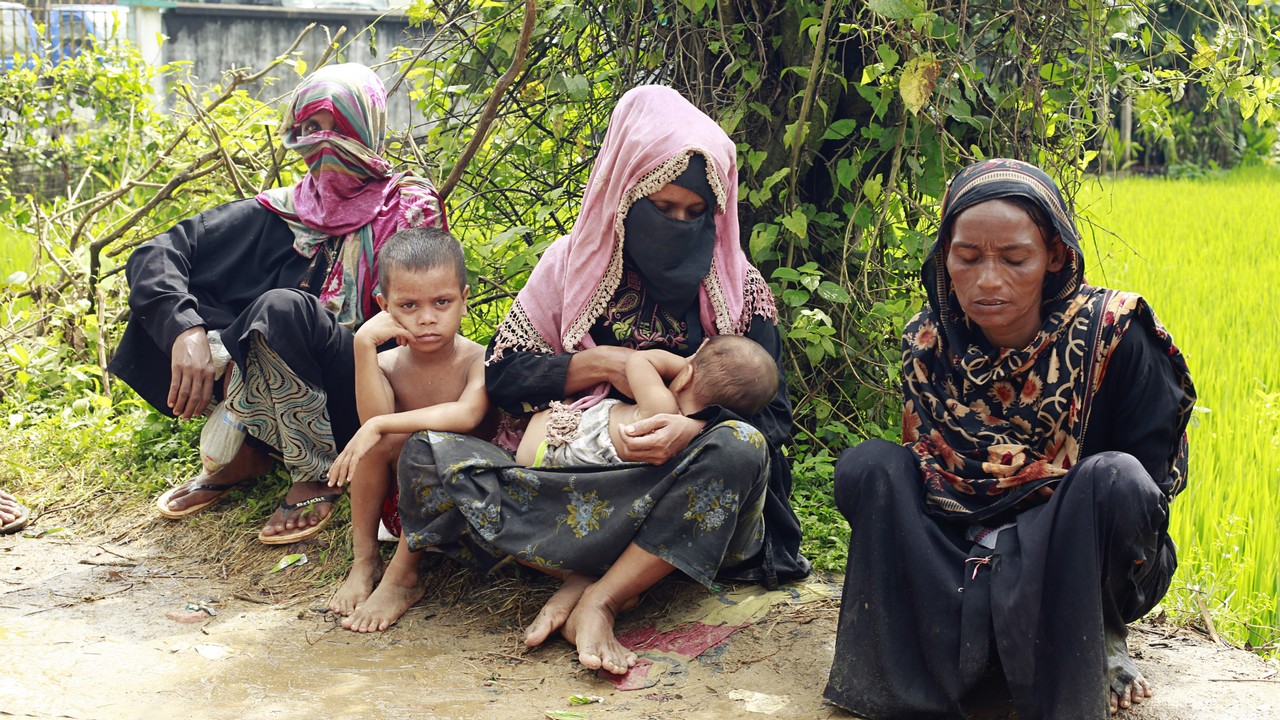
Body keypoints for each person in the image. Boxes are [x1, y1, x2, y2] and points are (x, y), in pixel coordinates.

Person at [394, 85, 811, 675]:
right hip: (563, 486)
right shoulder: (571, 264)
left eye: (696, 215)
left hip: (676, 490)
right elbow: (506, 377)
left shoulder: (735, 285)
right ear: (624, 195)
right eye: (663, 210)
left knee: (738, 450)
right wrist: (609, 364)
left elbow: (771, 421)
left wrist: (688, 432)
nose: (679, 227)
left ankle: (603, 594)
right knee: (425, 456)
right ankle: (606, 570)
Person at [823, 158, 1197, 719]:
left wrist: (1041, 541)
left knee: (1116, 479)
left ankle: (1099, 636)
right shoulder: (929, 342)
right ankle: (940, 645)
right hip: (959, 546)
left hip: (1076, 551)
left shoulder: (1115, 335)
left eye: (1015, 259)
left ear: (1054, 255)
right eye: (968, 258)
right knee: (870, 467)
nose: (989, 280)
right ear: (945, 259)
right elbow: (931, 477)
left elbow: (1145, 493)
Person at [108, 63, 446, 544]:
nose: (324, 144)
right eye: (310, 130)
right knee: (168, 296)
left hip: (371, 396)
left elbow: (424, 320)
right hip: (272, 387)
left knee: (283, 308)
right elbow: (160, 251)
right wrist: (185, 330)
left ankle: (313, 470)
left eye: (338, 130)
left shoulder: (409, 208)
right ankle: (251, 451)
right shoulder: (282, 211)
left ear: (366, 131)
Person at [323, 227, 489, 631]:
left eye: (442, 302)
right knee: (379, 442)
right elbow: (375, 431)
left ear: (464, 300)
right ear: (384, 306)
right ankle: (364, 560)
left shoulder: (477, 360)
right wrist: (364, 344)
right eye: (409, 305)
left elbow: (466, 416)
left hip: (465, 508)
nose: (427, 317)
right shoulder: (387, 364)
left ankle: (403, 578)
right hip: (401, 513)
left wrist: (380, 423)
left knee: (421, 443)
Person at [515, 335, 778, 467]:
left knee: (564, 401)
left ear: (685, 376)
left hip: (546, 452)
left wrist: (686, 364)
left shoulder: (662, 407)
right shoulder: (700, 441)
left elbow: (638, 360)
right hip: (584, 472)